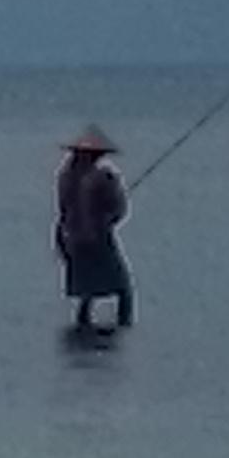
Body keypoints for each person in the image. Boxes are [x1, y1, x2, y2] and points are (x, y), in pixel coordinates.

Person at [54, 128, 133, 331]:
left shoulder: (65, 176)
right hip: (97, 237)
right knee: (122, 288)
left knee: (86, 289)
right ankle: (123, 326)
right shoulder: (102, 176)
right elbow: (118, 208)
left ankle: (82, 326)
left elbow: (64, 208)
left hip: (71, 238)